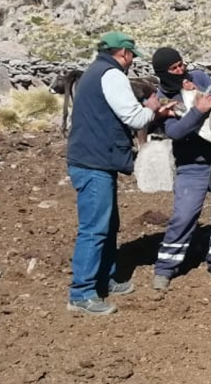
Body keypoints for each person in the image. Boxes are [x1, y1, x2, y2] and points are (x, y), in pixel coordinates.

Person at [66, 31, 177, 316]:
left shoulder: (94, 71)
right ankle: (81, 293)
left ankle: (105, 277)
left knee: (108, 223)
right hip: (95, 163)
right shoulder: (112, 75)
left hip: (93, 159)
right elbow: (134, 118)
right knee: (94, 228)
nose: (132, 62)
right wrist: (153, 109)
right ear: (124, 54)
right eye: (131, 56)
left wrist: (153, 114)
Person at [149, 46, 211, 290]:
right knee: (184, 216)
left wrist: (198, 92)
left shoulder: (198, 77)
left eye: (181, 64)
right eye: (174, 68)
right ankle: (165, 268)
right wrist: (198, 111)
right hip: (191, 167)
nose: (180, 70)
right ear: (162, 73)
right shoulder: (162, 98)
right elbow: (175, 131)